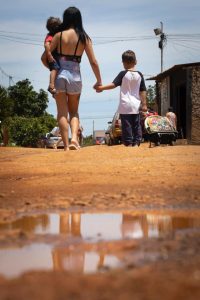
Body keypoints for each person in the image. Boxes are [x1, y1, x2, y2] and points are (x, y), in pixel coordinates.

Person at [49, 7, 102, 151]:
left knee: (61, 112)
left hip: (60, 75)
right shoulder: (84, 38)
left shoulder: (58, 36)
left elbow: (45, 57)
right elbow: (93, 62)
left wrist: (53, 69)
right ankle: (74, 139)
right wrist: (99, 81)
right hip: (75, 76)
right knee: (74, 112)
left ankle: (65, 146)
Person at [95, 50, 147, 147]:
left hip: (125, 104)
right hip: (136, 104)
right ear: (135, 61)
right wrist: (144, 104)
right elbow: (143, 90)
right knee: (136, 124)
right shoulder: (139, 75)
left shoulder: (123, 74)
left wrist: (101, 88)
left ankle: (128, 143)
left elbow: (113, 85)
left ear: (123, 63)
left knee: (126, 124)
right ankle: (137, 141)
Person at [41, 17, 62, 95]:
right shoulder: (50, 35)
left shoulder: (55, 34)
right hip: (52, 56)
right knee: (55, 69)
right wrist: (49, 55)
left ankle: (54, 89)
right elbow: (46, 45)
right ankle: (51, 86)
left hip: (54, 56)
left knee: (55, 70)